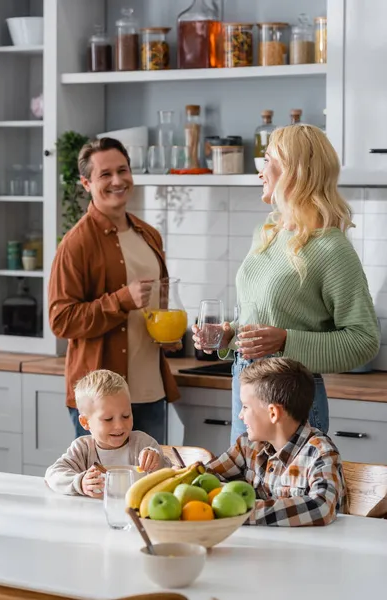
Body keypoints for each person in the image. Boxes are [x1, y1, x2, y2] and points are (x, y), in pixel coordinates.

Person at [194, 124, 380, 444]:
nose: (260, 172)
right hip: (247, 392)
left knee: (289, 494)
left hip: (291, 399)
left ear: (294, 171)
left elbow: (364, 340)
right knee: (246, 493)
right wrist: (229, 334)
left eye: (267, 161)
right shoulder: (269, 231)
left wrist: (284, 342)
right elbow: (264, 319)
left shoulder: (331, 248)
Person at [48, 137, 179, 443]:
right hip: (102, 402)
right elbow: (61, 319)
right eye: (105, 174)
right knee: (102, 486)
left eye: (123, 170)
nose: (117, 181)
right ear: (86, 183)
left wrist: (167, 334)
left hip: (150, 390)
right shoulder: (76, 243)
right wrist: (119, 301)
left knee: (152, 483)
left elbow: (153, 306)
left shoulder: (149, 235)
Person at [206, 357, 347, 526]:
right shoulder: (247, 445)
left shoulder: (320, 453)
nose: (240, 415)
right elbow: (208, 477)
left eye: (245, 407)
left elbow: (322, 508)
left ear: (273, 413)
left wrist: (240, 511)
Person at [45, 370, 171, 497]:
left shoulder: (143, 443)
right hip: (90, 514)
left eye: (126, 416)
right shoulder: (82, 449)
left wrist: (156, 461)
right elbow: (53, 474)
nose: (119, 425)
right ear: (85, 422)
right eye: (108, 419)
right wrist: (80, 482)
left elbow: (170, 474)